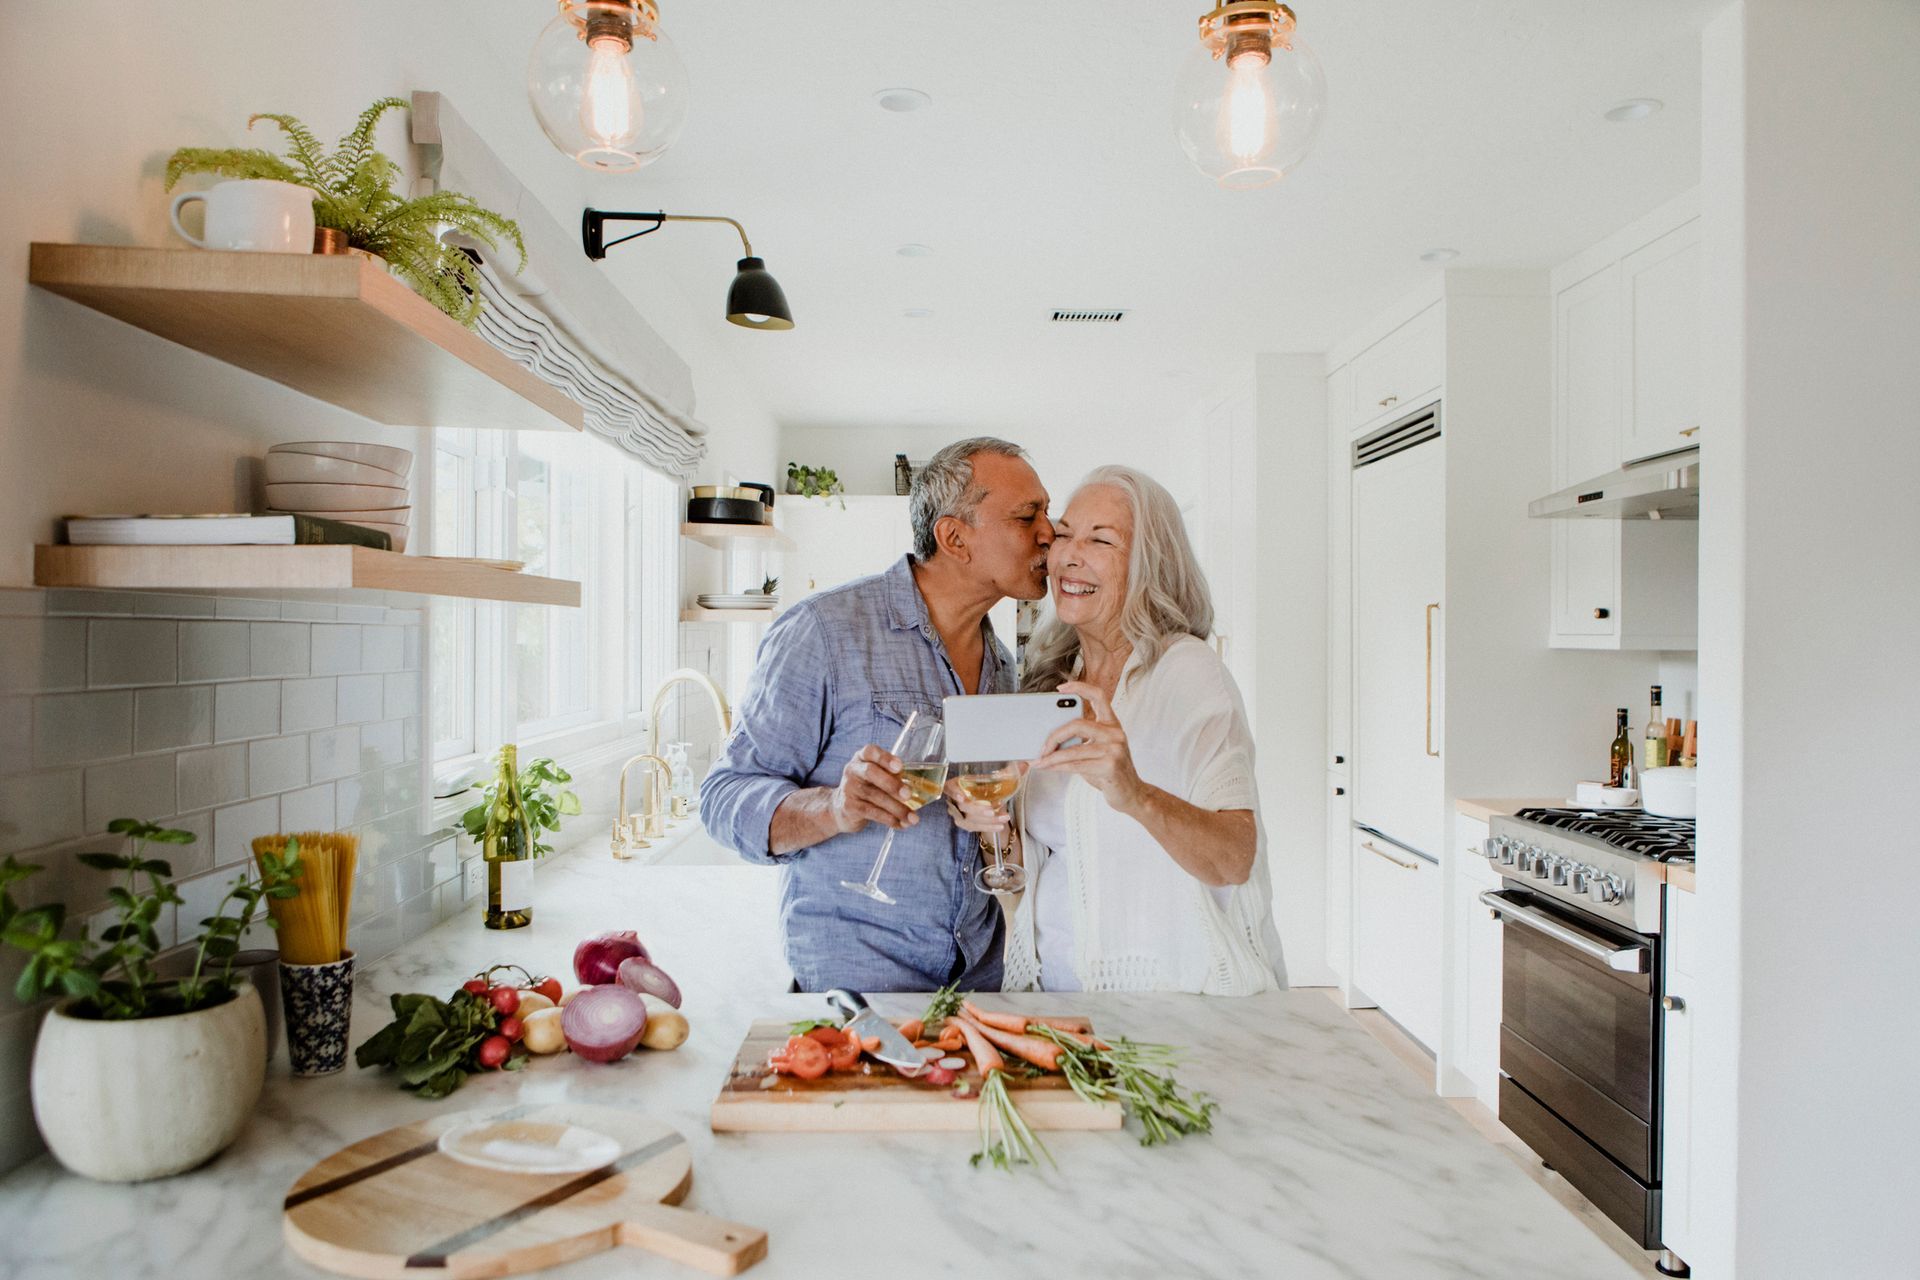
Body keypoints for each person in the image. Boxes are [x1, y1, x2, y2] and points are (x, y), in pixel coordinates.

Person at [701, 438, 1054, 992]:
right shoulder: (825, 631)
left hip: (978, 980)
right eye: (1027, 515)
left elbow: (981, 831)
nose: (1049, 533)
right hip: (857, 982)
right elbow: (723, 796)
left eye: (1047, 514)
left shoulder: (1003, 667)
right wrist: (834, 808)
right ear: (954, 537)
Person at [950, 465, 1286, 994]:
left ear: (1149, 565)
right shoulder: (1049, 686)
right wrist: (995, 828)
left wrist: (1133, 792)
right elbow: (1047, 858)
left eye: (1100, 540)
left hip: (1178, 1009)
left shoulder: (1187, 673)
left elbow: (1234, 858)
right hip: (1061, 999)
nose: (1067, 554)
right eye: (1063, 534)